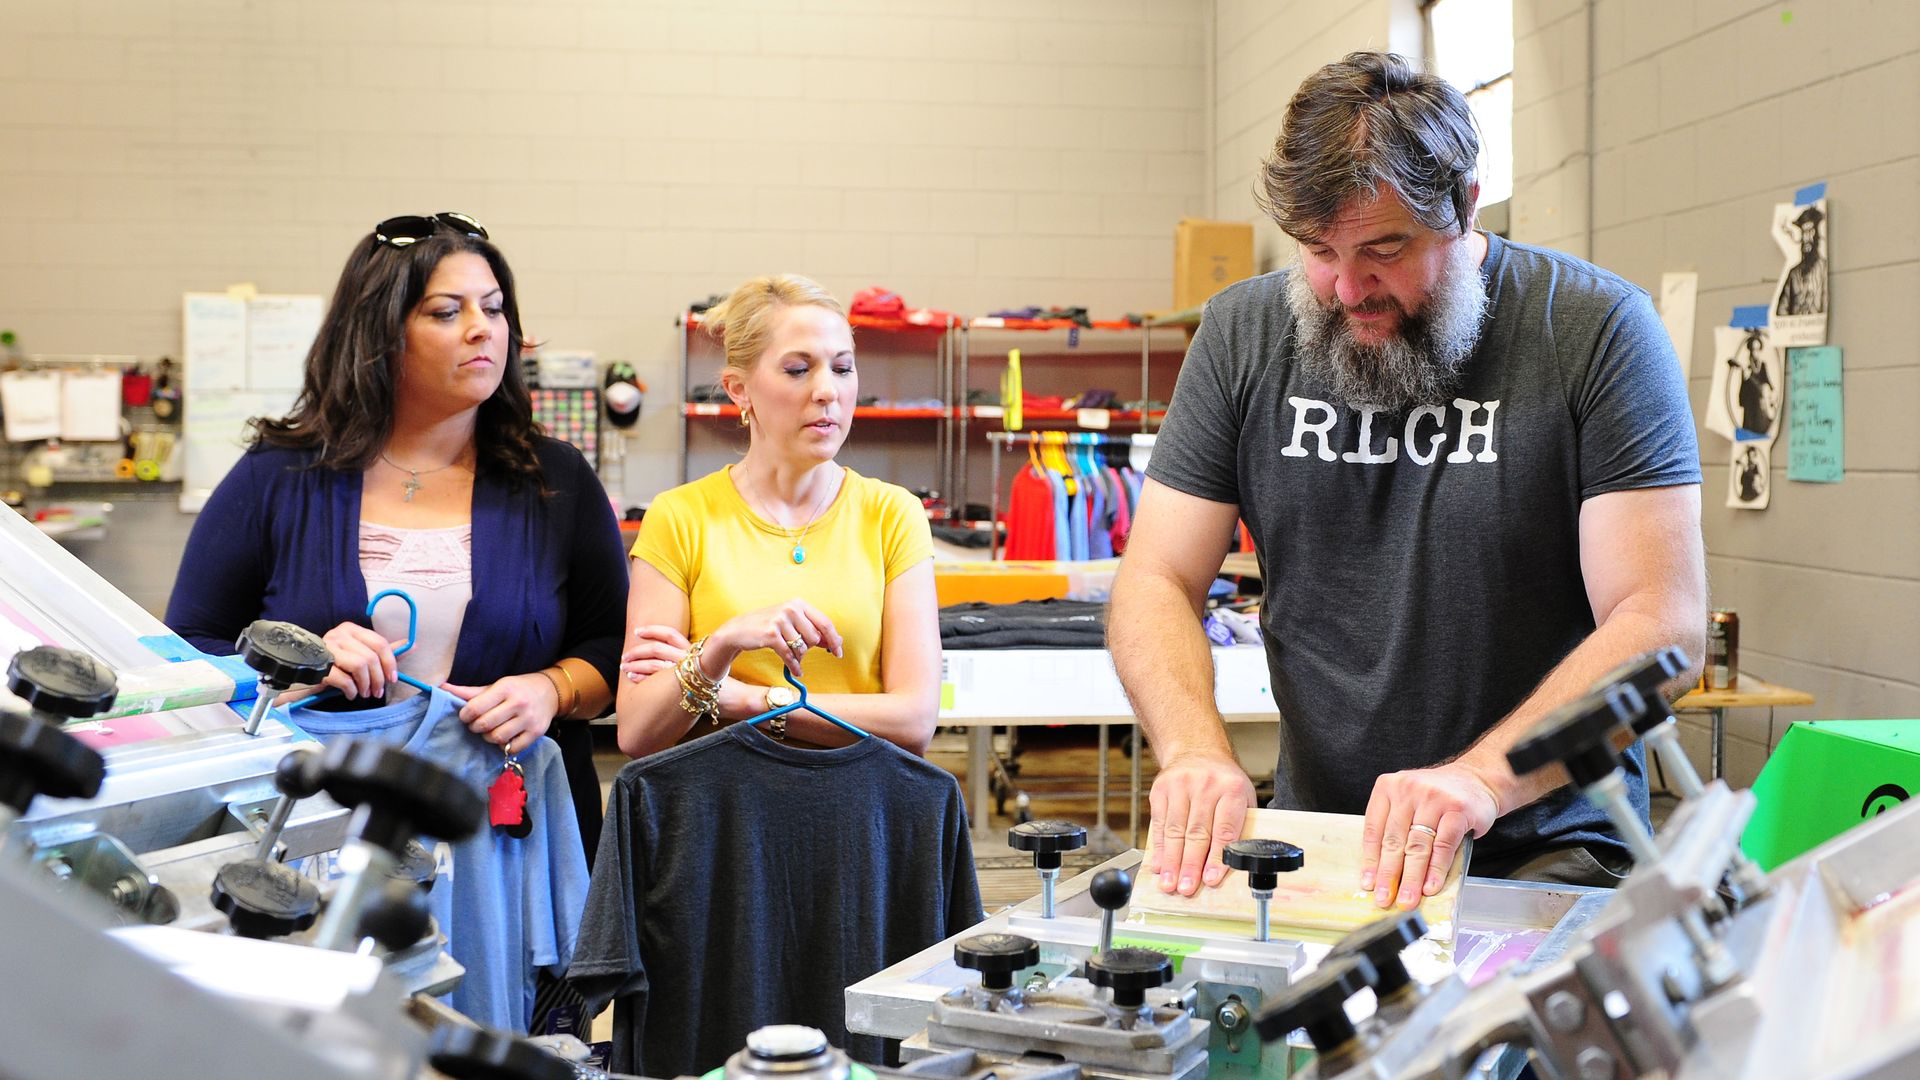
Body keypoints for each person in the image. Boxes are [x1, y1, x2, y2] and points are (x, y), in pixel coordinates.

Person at [1108, 52, 1706, 910]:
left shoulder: (1594, 330)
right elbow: (1157, 577)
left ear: (1464, 206)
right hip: (1325, 846)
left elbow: (1661, 622)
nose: (1349, 288)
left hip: (1548, 848)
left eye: (1385, 250)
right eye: (1319, 252)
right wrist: (1195, 750)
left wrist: (1483, 780)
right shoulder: (1242, 331)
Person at [165, 212, 628, 860]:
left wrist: (549, 690)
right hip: (319, 838)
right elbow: (184, 652)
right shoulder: (280, 475)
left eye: (494, 308)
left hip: (507, 845)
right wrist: (298, 665)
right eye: (446, 312)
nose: (482, 329)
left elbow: (613, 648)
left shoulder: (555, 480)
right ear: (380, 333)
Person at [614, 274, 939, 758]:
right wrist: (720, 647)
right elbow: (637, 730)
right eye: (798, 369)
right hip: (718, 798)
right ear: (739, 389)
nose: (827, 390)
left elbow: (913, 722)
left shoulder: (893, 515)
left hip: (857, 796)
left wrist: (747, 700)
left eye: (842, 368)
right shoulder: (679, 518)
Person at [1774, 204, 1827, 316]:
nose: (1806, 238)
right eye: (1803, 232)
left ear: (1817, 235)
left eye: (1810, 231)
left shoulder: (1824, 270)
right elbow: (1781, 310)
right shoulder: (1793, 274)